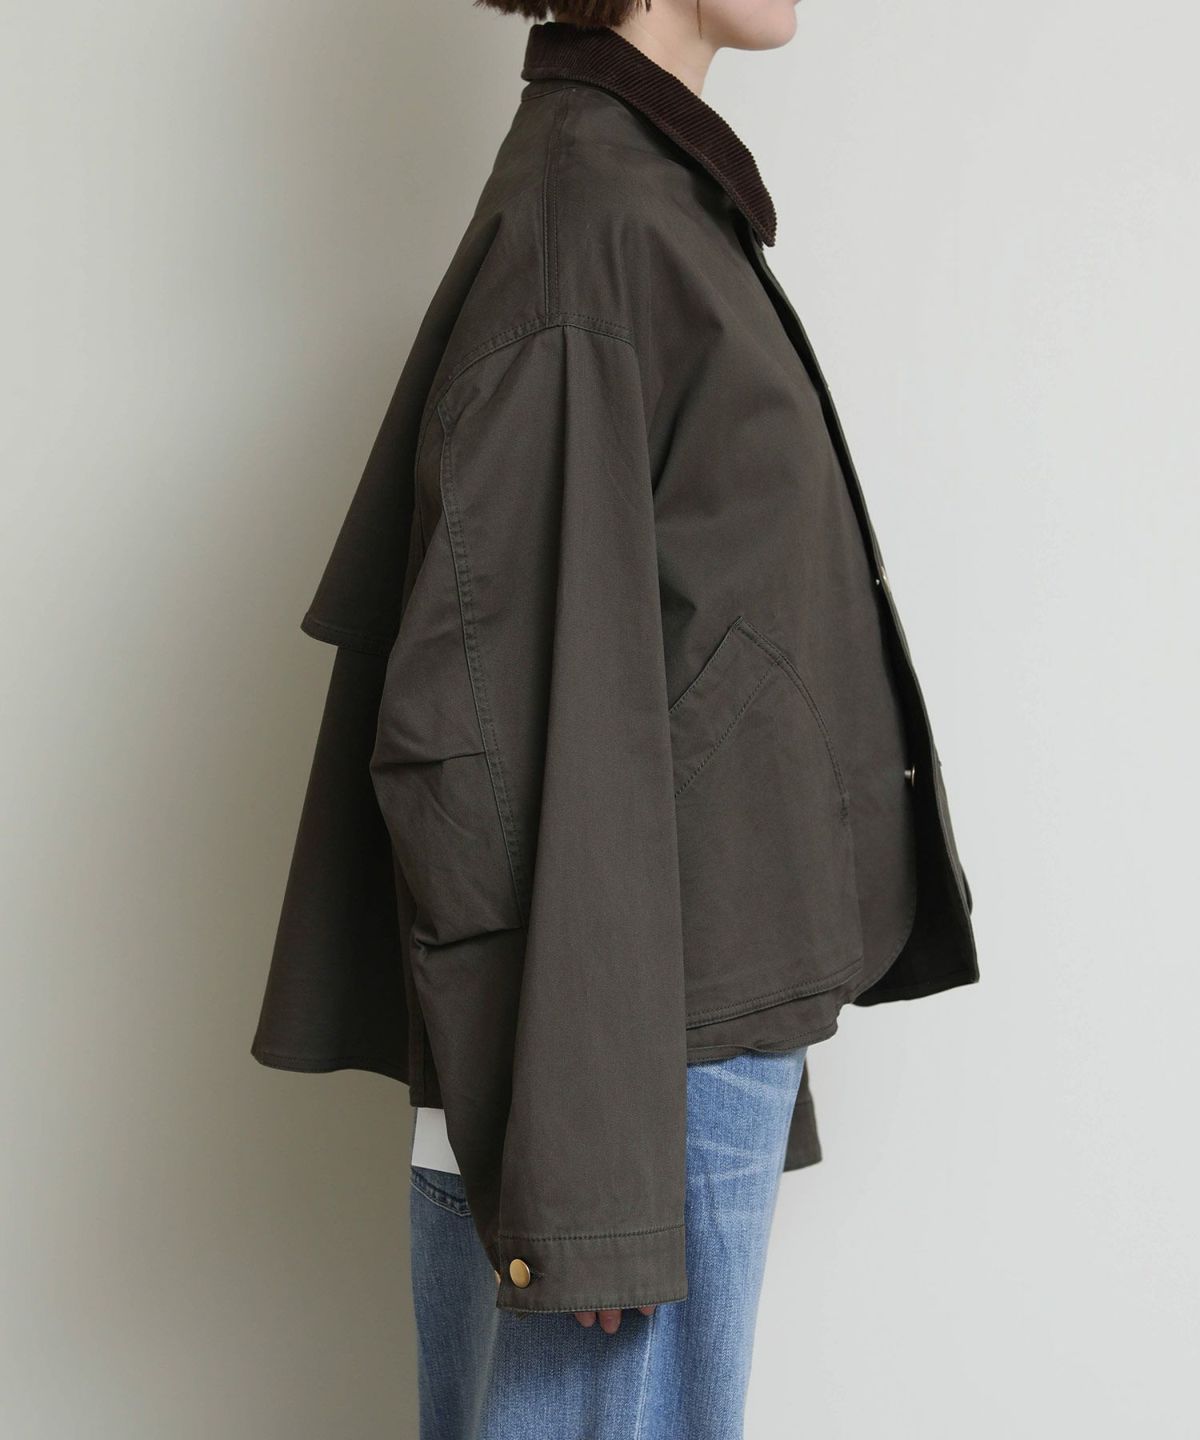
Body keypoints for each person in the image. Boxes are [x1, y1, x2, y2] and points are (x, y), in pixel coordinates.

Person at [251, 3, 979, 1436]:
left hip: (666, 1022)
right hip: (633, 1047)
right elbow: (503, 719)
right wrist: (590, 1163)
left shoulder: (640, 197)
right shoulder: (594, 217)